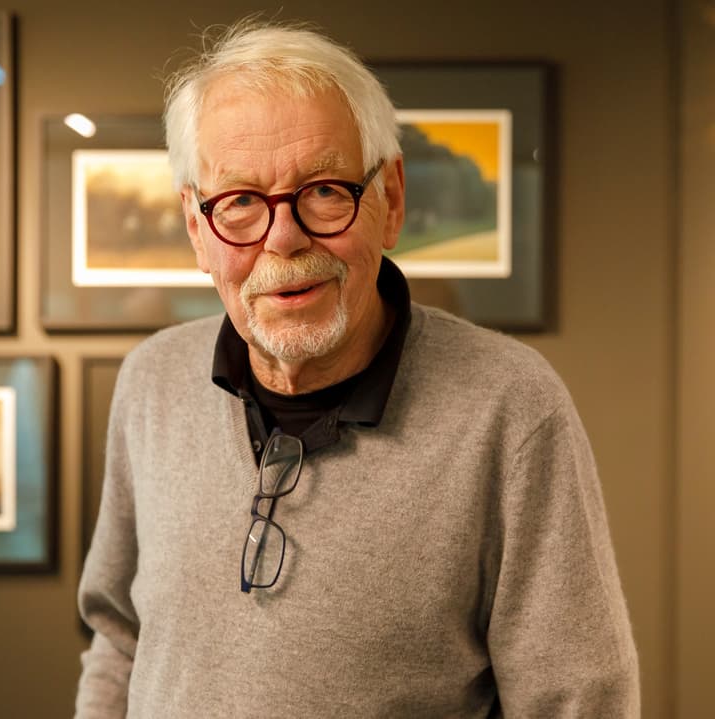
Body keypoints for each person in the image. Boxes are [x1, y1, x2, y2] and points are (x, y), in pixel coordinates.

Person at [75, 18, 639, 718]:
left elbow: (577, 700)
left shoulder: (512, 406)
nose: (284, 238)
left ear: (390, 199)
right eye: (242, 202)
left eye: (323, 190)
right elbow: (119, 637)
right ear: (197, 227)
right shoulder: (151, 383)